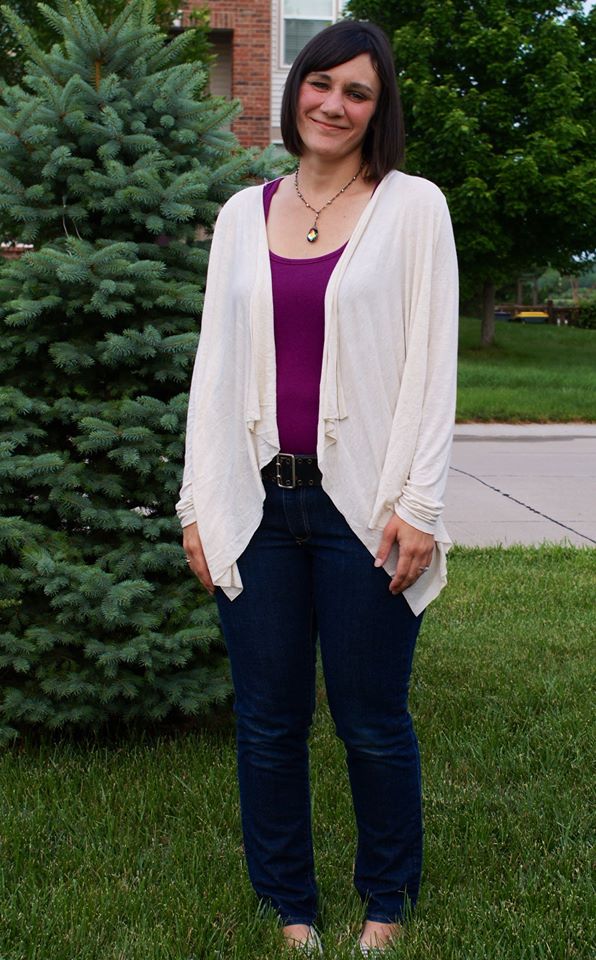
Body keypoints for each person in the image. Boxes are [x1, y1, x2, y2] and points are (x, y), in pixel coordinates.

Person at [176, 18, 458, 957]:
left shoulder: (413, 208)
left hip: (365, 509)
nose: (334, 105)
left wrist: (419, 505)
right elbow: (214, 368)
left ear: (379, 110)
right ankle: (288, 906)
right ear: (297, 87)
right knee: (268, 723)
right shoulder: (239, 214)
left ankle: (388, 900)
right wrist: (196, 504)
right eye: (322, 83)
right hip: (256, 503)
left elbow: (432, 367)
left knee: (371, 719)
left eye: (358, 93)